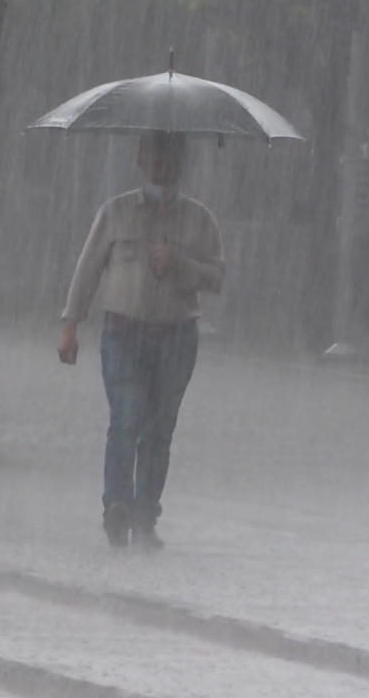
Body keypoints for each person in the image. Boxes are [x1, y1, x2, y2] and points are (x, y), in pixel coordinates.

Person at [57, 130, 224, 550]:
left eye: (169, 152)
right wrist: (70, 324)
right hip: (123, 332)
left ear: (181, 159)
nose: (160, 161)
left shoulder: (199, 219)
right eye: (152, 151)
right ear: (139, 157)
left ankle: (146, 514)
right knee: (126, 419)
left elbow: (216, 275)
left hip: (176, 335)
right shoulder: (115, 213)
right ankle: (117, 504)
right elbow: (88, 269)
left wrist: (178, 264)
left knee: (159, 429)